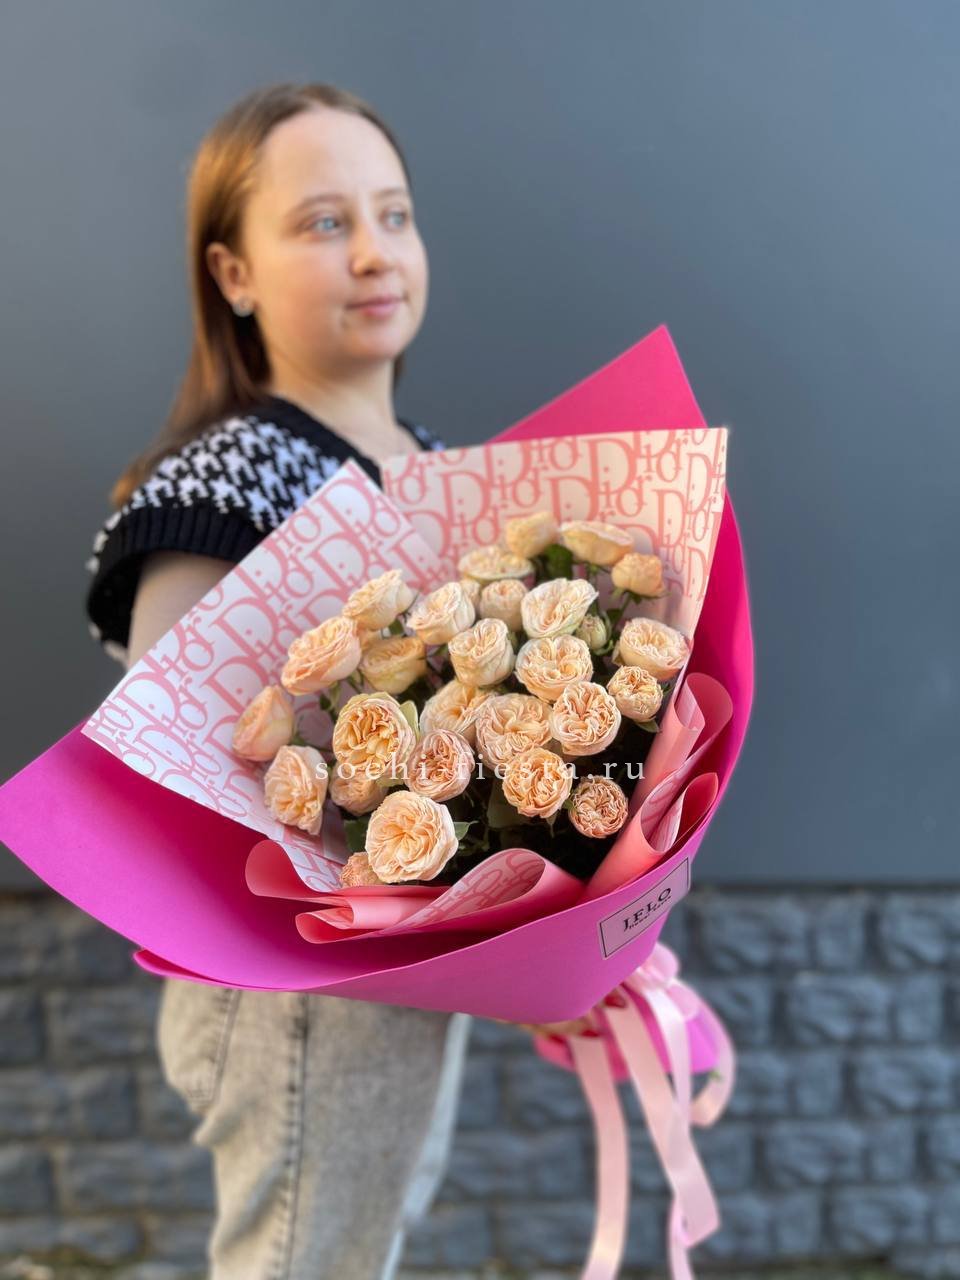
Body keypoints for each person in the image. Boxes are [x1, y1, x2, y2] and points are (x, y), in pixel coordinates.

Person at [83, 82, 586, 1280]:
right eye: (322, 222)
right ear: (233, 273)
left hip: (406, 972)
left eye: (393, 214)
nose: (374, 251)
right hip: (291, 989)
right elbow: (182, 778)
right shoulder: (220, 481)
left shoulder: (449, 472)